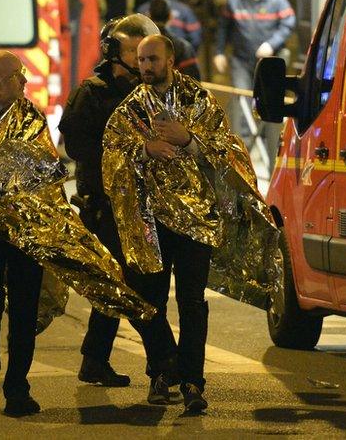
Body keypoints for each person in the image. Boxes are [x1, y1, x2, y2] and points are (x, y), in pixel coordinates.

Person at [0, 51, 154, 417]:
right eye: (18, 76)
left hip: (29, 230)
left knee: (24, 310)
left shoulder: (30, 115)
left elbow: (46, 165)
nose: (25, 81)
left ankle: (17, 387)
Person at [104, 35, 282, 414]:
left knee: (192, 304)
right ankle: (161, 372)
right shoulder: (131, 109)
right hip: (149, 221)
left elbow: (229, 151)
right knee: (149, 301)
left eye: (152, 59)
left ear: (170, 59)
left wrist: (189, 140)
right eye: (141, 60)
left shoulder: (199, 102)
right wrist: (144, 149)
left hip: (196, 221)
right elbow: (111, 154)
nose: (146, 66)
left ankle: (192, 383)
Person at [59, 14, 180, 397]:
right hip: (107, 206)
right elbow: (79, 148)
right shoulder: (92, 94)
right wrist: (126, 153)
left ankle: (94, 358)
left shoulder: (146, 93)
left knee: (116, 284)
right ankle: (166, 366)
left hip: (147, 205)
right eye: (134, 51)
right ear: (115, 53)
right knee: (137, 285)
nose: (143, 58)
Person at [213, 0, 296, 139]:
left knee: (268, 102)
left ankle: (269, 142)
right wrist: (219, 52)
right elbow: (223, 27)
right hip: (241, 60)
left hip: (269, 62)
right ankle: (244, 145)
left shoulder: (277, 0)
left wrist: (271, 44)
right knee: (242, 99)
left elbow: (288, 23)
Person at [136, 0, 203, 50]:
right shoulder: (185, 10)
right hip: (177, 56)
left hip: (149, 56)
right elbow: (195, 38)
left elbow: (135, 37)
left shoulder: (142, 10)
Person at [146, 0, 200, 80]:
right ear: (170, 16)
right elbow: (194, 81)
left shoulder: (138, 45)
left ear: (148, 16)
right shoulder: (183, 47)